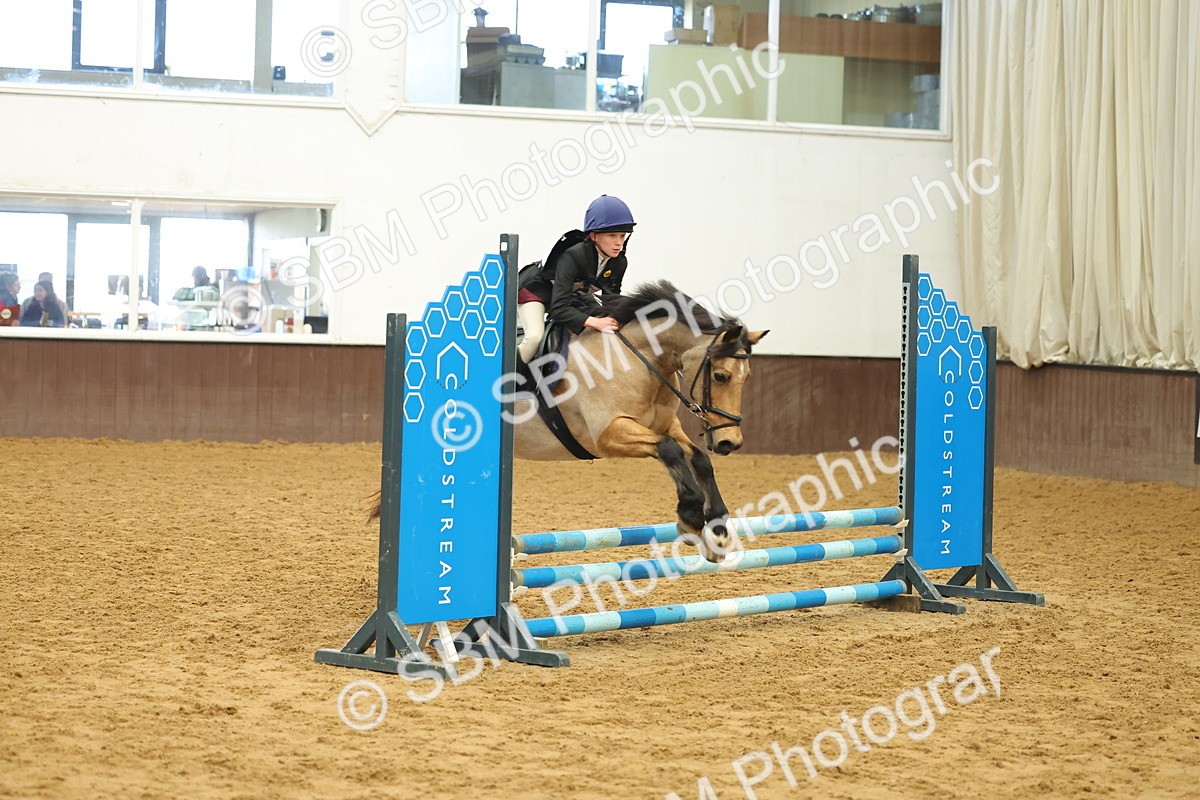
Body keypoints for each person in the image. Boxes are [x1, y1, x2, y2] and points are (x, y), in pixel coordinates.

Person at [516, 195, 635, 363]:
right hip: (536, 292)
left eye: (622, 236)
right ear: (594, 236)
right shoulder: (574, 255)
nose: (618, 243)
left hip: (570, 295)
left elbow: (611, 301)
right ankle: (509, 383)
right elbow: (558, 309)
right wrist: (595, 322)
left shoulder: (619, 262)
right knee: (535, 336)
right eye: (612, 235)